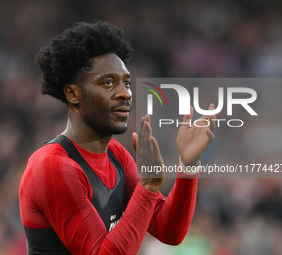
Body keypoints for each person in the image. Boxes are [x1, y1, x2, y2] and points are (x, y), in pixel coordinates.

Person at [19, 20, 216, 255]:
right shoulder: (53, 166)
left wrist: (188, 166)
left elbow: (169, 231)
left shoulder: (117, 156)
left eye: (126, 82)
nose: (125, 93)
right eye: (108, 83)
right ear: (73, 93)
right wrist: (149, 185)